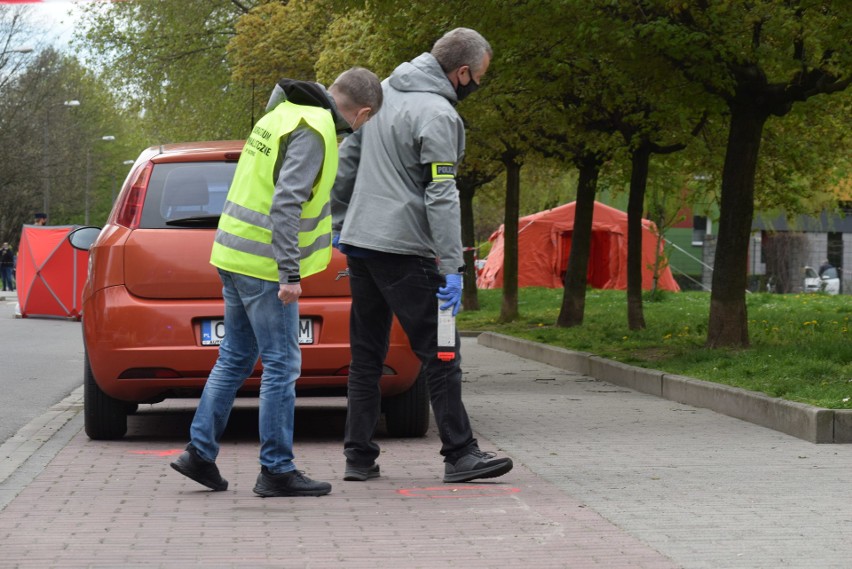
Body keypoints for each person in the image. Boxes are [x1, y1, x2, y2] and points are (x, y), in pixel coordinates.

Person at [170, 68, 383, 497]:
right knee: (282, 365)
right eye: (367, 121)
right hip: (267, 267)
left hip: (233, 255)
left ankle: (199, 452)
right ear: (361, 113)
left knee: (235, 357)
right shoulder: (315, 129)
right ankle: (276, 469)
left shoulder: (281, 114)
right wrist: (290, 272)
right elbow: (286, 201)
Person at [331, 28, 513, 484]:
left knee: (366, 355)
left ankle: (358, 457)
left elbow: (346, 157)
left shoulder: (383, 93)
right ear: (463, 72)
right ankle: (460, 454)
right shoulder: (439, 114)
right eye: (479, 78)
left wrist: (341, 224)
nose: (477, 86)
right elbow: (441, 195)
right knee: (441, 350)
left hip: (362, 246)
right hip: (406, 251)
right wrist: (453, 267)